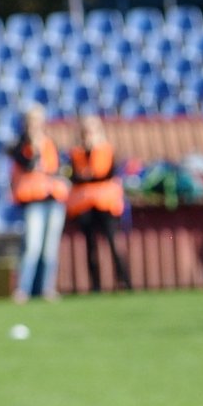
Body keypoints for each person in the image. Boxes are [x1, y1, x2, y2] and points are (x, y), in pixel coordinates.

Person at [6, 106, 68, 304]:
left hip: (53, 200)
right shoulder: (19, 145)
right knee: (31, 247)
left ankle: (46, 288)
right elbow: (29, 164)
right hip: (33, 202)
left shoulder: (50, 143)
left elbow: (57, 169)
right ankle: (23, 289)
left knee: (49, 248)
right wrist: (34, 145)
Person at [66, 114, 131, 293]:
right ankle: (96, 285)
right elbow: (74, 176)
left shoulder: (106, 149)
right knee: (90, 246)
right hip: (85, 205)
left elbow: (106, 173)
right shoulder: (76, 152)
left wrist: (88, 172)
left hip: (105, 204)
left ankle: (124, 281)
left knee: (112, 242)